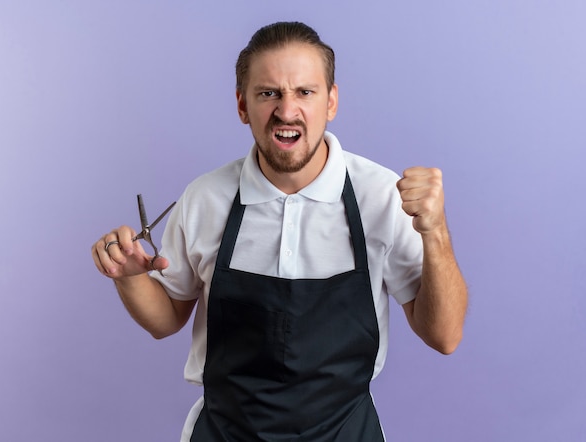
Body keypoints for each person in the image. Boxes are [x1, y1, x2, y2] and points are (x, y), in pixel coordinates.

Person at [92, 21, 467, 442]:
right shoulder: (205, 199)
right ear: (241, 105)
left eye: (304, 92)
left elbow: (445, 335)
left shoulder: (382, 196)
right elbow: (165, 319)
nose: (286, 111)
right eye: (268, 93)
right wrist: (130, 278)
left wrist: (436, 232)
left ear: (331, 101)